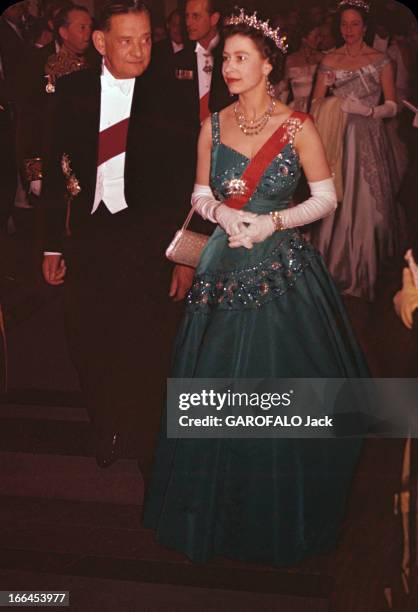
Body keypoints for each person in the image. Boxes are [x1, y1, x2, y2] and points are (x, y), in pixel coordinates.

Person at [143, 8, 368, 567]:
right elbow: (198, 195)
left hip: (282, 267)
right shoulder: (212, 125)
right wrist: (221, 211)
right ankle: (209, 505)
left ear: (269, 66)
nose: (230, 68)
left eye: (242, 58)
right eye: (225, 59)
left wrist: (272, 221)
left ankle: (282, 504)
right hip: (221, 262)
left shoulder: (299, 126)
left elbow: (326, 198)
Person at [41, 0, 172, 482]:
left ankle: (139, 434)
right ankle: (106, 422)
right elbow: (55, 169)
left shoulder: (167, 95)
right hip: (88, 234)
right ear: (100, 43)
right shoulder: (70, 91)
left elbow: (186, 182)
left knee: (142, 339)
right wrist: (53, 244)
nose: (139, 51)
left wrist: (182, 255)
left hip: (145, 239)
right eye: (126, 40)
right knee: (87, 339)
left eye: (146, 40)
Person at [310, 0, 404, 302]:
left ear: (364, 27)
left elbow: (392, 106)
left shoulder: (381, 60)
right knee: (333, 202)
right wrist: (331, 100)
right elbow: (313, 105)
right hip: (336, 136)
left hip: (367, 136)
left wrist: (368, 110)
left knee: (368, 208)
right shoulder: (330, 60)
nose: (348, 30)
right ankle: (330, 270)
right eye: (344, 24)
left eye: (354, 24)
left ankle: (363, 271)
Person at [275, 18, 323, 112]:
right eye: (316, 36)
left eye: (320, 36)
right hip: (298, 109)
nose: (320, 39)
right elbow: (285, 88)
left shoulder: (323, 58)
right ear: (304, 39)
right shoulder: (291, 60)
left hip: (318, 108)